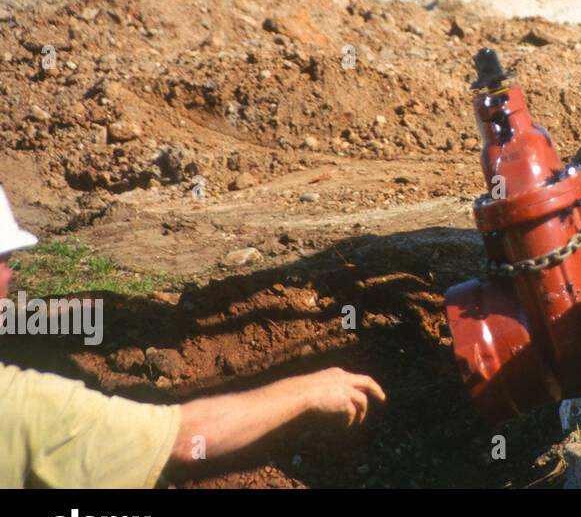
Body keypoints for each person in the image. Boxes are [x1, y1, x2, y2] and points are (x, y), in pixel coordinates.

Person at [0, 186, 385, 488]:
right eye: (3, 261)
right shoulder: (21, 404)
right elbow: (184, 441)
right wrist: (307, 391)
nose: (10, 276)